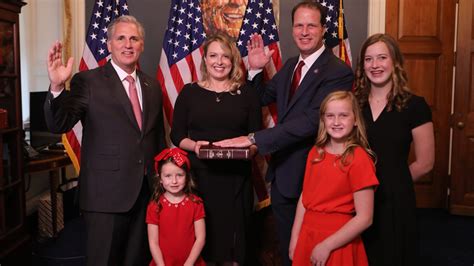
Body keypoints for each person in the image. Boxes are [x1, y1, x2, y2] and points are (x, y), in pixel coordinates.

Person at [214, 2, 354, 265]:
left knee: (315, 254)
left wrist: (255, 139)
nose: (304, 31)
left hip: (316, 178)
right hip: (284, 178)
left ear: (323, 29)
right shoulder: (290, 66)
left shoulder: (338, 72)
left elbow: (313, 121)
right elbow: (258, 100)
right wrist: (255, 70)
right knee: (291, 254)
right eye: (299, 25)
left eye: (311, 25)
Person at [44, 15, 166, 265]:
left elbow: (157, 140)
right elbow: (60, 124)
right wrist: (57, 87)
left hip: (146, 194)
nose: (128, 44)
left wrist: (161, 185)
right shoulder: (88, 81)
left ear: (142, 44)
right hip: (105, 197)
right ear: (109, 44)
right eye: (120, 38)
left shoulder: (152, 86)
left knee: (137, 260)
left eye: (134, 38)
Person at [170, 34, 262, 265]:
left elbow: (256, 136)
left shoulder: (247, 93)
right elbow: (177, 135)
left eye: (225, 56)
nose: (219, 62)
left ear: (233, 61)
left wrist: (248, 151)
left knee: (234, 249)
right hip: (199, 179)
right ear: (204, 59)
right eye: (213, 55)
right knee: (202, 244)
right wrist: (195, 146)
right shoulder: (189, 92)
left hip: (236, 181)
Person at [354, 33, 435, 266]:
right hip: (356, 198)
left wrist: (391, 184)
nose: (375, 65)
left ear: (395, 62)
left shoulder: (415, 106)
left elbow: (425, 163)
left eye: (382, 58)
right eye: (368, 59)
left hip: (395, 200)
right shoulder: (353, 103)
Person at [289, 91, 378, 266]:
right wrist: (295, 238)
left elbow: (365, 217)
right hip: (308, 234)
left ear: (355, 120)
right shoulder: (315, 153)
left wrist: (327, 246)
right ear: (323, 120)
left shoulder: (359, 159)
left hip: (338, 240)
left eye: (343, 115)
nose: (336, 122)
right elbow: (304, 198)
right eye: (330, 116)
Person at [146, 148, 206, 266]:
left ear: (187, 177)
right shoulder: (155, 206)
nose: (174, 181)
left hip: (191, 262)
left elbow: (200, 238)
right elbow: (153, 242)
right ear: (160, 179)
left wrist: (189, 264)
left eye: (179, 175)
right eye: (168, 176)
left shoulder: (196, 203)